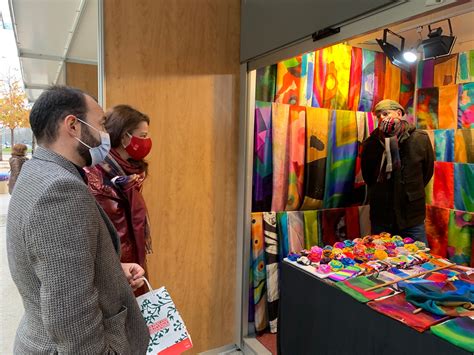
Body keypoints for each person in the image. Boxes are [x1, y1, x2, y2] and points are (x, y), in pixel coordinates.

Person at [6, 86, 149, 354]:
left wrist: (111, 271)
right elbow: (70, 313)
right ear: (73, 125)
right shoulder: (60, 190)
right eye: (101, 124)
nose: (106, 135)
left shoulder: (37, 171)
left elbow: (55, 268)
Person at [84, 105, 153, 295]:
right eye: (143, 135)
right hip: (117, 269)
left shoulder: (129, 174)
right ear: (124, 137)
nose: (147, 142)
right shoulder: (97, 175)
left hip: (133, 266)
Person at [361, 99, 434, 244]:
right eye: (379, 116)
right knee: (382, 259)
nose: (382, 118)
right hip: (382, 214)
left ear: (399, 114)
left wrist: (409, 190)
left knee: (420, 258)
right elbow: (368, 176)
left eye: (386, 113)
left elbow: (427, 172)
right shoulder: (371, 143)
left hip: (411, 216)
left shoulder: (419, 139)